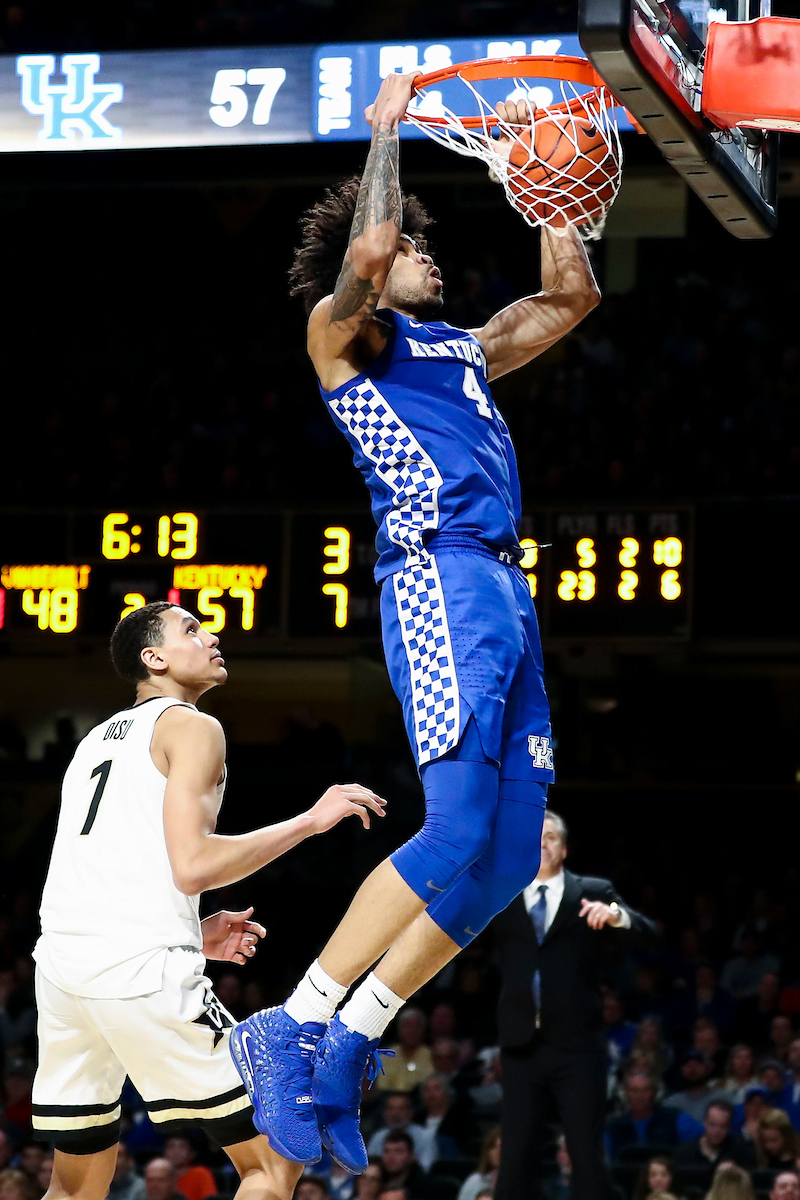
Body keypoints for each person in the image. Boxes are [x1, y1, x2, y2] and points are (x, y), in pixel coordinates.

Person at [232, 66, 601, 1176]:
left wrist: (553, 195)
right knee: (447, 831)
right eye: (418, 249)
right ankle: (290, 1022)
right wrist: (385, 134)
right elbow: (364, 252)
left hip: (504, 587)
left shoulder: (462, 349)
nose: (430, 257)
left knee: (498, 862)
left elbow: (568, 298)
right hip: (435, 576)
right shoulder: (341, 336)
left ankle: (350, 1037)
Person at [29, 601, 385, 1200]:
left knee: (72, 1188)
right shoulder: (193, 726)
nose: (211, 635)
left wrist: (189, 932)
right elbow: (193, 866)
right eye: (191, 630)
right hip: (140, 973)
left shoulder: (91, 742)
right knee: (275, 1160)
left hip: (62, 976)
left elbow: (108, 867)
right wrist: (311, 821)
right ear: (155, 658)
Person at [490, 812, 659, 1199]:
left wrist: (616, 916)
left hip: (578, 1048)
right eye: (535, 836)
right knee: (515, 1159)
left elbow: (651, 932)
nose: (542, 842)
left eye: (550, 837)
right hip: (520, 1046)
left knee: (586, 1156)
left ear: (564, 849)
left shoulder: (592, 891)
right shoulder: (502, 894)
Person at [606, 1070, 700, 1160]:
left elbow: (701, 1140)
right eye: (634, 1091)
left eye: (645, 1090)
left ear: (655, 1093)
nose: (640, 1096)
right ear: (625, 1093)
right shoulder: (613, 1126)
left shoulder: (675, 1118)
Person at [674, 1100, 754, 1182]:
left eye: (723, 1126)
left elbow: (747, 1181)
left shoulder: (739, 1149)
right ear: (704, 1123)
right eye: (712, 1125)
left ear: (729, 1127)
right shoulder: (685, 1152)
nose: (717, 1131)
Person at [366, 1095, 434, 1171]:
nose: (395, 1114)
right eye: (391, 1109)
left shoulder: (424, 1136)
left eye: (401, 1109)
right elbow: (370, 1165)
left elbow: (426, 1167)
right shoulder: (378, 1136)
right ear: (384, 1113)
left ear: (410, 1113)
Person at [376, 1009, 433, 1094]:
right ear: (399, 1029)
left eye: (416, 1026)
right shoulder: (386, 1055)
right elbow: (381, 1086)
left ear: (423, 1030)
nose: (412, 1031)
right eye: (407, 1026)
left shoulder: (431, 1055)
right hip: (388, 1100)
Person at [664, 1052, 730, 1124]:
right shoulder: (671, 1103)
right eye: (688, 1065)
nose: (692, 1069)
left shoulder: (723, 1098)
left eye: (697, 1065)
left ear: (707, 1069)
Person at [162, 1135, 216, 1200]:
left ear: (192, 1154)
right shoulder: (158, 1174)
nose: (176, 1151)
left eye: (182, 1147)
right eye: (171, 1146)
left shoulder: (201, 1173)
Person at [456, 1128, 500, 1200]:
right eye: (492, 1146)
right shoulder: (475, 1181)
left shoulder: (520, 1184)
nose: (498, 1151)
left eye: (502, 1147)